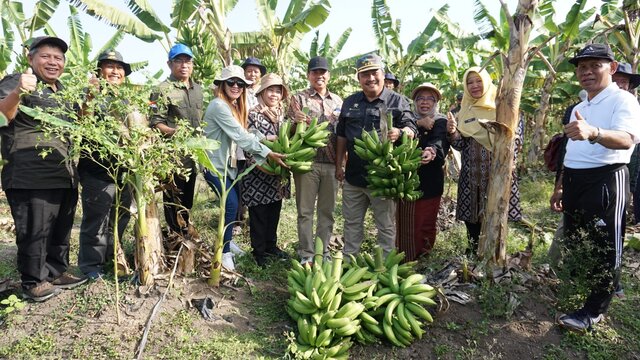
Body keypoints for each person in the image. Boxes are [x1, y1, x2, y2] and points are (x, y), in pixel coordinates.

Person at [550, 44, 640, 332]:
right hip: (575, 180)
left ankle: (594, 311)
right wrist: (561, 186)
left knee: (605, 246)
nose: (586, 72)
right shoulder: (580, 106)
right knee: (577, 238)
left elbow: (627, 139)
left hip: (605, 178)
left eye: (594, 66)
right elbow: (570, 151)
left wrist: (595, 132)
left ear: (612, 69)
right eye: (581, 67)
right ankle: (578, 292)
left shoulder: (623, 101)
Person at [0, 36, 86, 302]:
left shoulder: (64, 89)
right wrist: (19, 93)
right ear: (31, 58)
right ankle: (33, 281)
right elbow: (3, 115)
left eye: (58, 57)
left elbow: (79, 120)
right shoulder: (17, 81)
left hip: (64, 171)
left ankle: (57, 271)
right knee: (35, 229)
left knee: (61, 227)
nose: (53, 62)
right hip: (30, 173)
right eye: (46, 56)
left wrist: (90, 97)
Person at [203, 65, 287, 271]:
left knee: (231, 206)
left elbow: (244, 132)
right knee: (231, 205)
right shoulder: (219, 106)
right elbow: (240, 136)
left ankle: (228, 240)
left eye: (240, 83)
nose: (236, 86)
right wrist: (268, 153)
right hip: (214, 166)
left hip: (227, 167)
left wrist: (268, 138)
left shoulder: (233, 106)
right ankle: (223, 253)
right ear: (222, 84)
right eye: (231, 82)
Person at [335, 53, 417, 257]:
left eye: (374, 73)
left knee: (385, 225)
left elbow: (411, 129)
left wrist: (400, 132)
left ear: (383, 73)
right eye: (365, 75)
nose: (370, 78)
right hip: (354, 176)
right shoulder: (350, 102)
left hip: (384, 178)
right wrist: (338, 165)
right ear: (358, 78)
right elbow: (342, 135)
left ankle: (386, 265)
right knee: (352, 223)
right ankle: (349, 262)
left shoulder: (398, 101)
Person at [446, 67, 523, 254]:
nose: (474, 86)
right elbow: (460, 145)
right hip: (471, 173)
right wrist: (452, 132)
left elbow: (516, 138)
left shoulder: (503, 107)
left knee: (495, 213)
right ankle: (473, 251)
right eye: (470, 82)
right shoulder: (463, 110)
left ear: (487, 82)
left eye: (478, 81)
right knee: (472, 216)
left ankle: (494, 253)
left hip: (496, 170)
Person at [78, 50, 133, 279]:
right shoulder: (88, 94)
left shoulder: (127, 100)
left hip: (124, 173)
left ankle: (112, 258)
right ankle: (91, 266)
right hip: (97, 170)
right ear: (99, 71)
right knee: (97, 220)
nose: (116, 71)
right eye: (110, 66)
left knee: (121, 216)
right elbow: (82, 122)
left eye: (119, 68)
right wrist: (91, 96)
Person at [288, 56, 343, 265]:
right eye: (315, 72)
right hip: (306, 163)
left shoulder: (338, 101)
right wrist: (296, 123)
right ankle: (306, 253)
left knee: (327, 212)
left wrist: (341, 164)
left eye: (323, 72)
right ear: (308, 75)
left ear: (328, 75)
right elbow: (288, 130)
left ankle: (322, 251)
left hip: (331, 163)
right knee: (305, 211)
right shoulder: (299, 98)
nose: (319, 76)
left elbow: (342, 136)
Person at [150, 44, 203, 237]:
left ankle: (186, 237)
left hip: (194, 157)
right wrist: (175, 132)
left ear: (192, 64)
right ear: (169, 64)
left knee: (187, 201)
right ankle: (175, 238)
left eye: (187, 61)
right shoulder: (161, 89)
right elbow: (155, 123)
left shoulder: (198, 89)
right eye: (178, 61)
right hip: (173, 157)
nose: (184, 65)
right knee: (173, 200)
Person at [242, 73, 291, 267]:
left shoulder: (282, 115)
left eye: (278, 91)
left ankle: (272, 245)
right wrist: (263, 164)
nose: (274, 95)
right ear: (262, 92)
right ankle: (259, 251)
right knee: (259, 214)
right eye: (270, 90)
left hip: (278, 173)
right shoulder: (252, 114)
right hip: (257, 170)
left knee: (274, 210)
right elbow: (249, 141)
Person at [396, 83, 449, 261]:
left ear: (435, 103)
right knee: (405, 221)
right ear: (415, 101)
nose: (424, 102)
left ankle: (424, 257)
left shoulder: (441, 121)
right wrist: (418, 124)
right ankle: (403, 257)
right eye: (420, 98)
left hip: (430, 179)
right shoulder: (408, 118)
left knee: (425, 221)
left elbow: (439, 140)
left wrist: (430, 151)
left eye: (429, 99)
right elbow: (400, 137)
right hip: (406, 179)